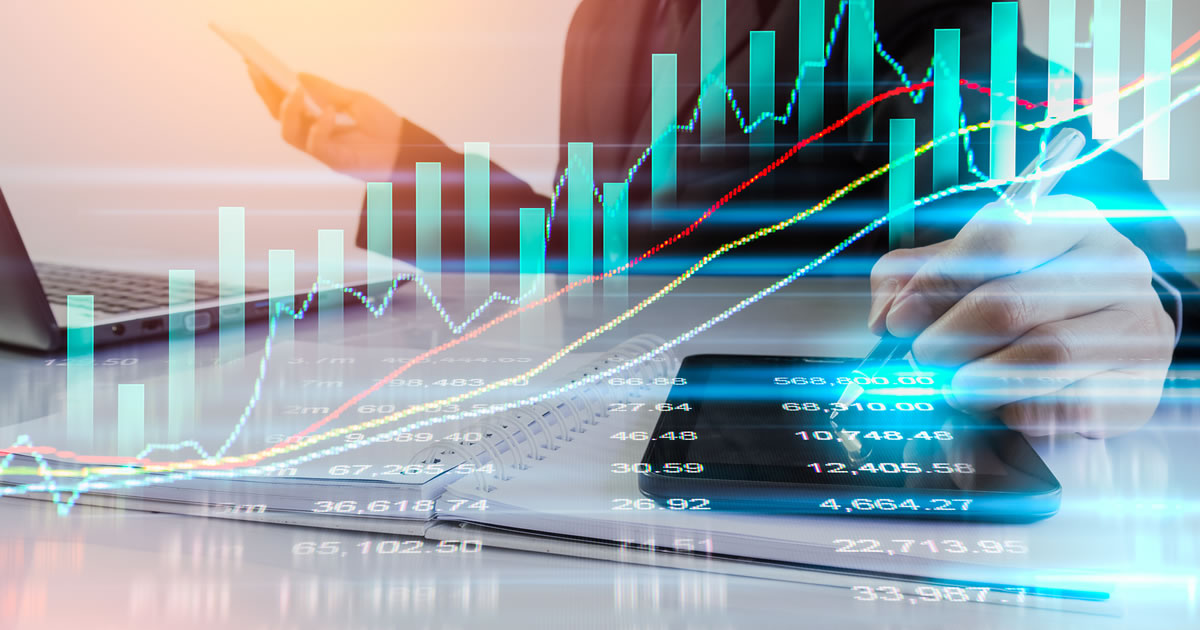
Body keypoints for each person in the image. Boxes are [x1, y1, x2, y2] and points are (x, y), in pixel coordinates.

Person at [243, 0, 1188, 437]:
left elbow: (1022, 172)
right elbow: (592, 236)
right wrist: (395, 154)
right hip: (591, 465)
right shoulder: (601, 25)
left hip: (791, 494)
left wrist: (1129, 292)